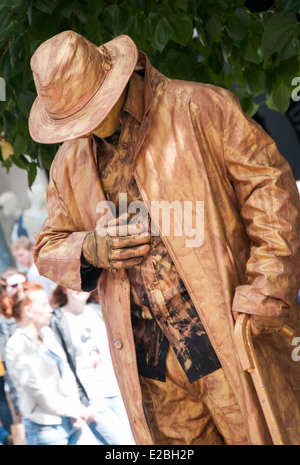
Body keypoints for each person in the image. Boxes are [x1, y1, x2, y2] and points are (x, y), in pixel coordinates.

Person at [29, 31, 300, 445]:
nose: (82, 128)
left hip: (228, 343)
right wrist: (89, 248)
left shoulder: (201, 108)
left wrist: (266, 290)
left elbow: (271, 191)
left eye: (87, 113)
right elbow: (48, 245)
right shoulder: (69, 164)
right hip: (152, 375)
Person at [4, 281, 99, 445]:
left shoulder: (47, 333)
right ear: (28, 311)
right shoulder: (16, 346)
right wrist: (75, 411)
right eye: (43, 305)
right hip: (45, 430)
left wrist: (75, 410)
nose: (50, 309)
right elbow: (39, 392)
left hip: (71, 420)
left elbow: (67, 373)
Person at [50, 285, 135, 445]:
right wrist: (81, 403)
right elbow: (62, 366)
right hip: (93, 398)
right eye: (73, 283)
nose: (79, 288)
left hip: (118, 391)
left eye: (83, 283)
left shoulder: (98, 310)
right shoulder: (58, 320)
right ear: (63, 288)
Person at [0, 268, 25, 435]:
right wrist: (18, 403)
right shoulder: (4, 320)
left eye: (24, 284)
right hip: (21, 377)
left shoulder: (38, 306)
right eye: (14, 285)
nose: (21, 289)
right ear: (4, 290)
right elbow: (9, 362)